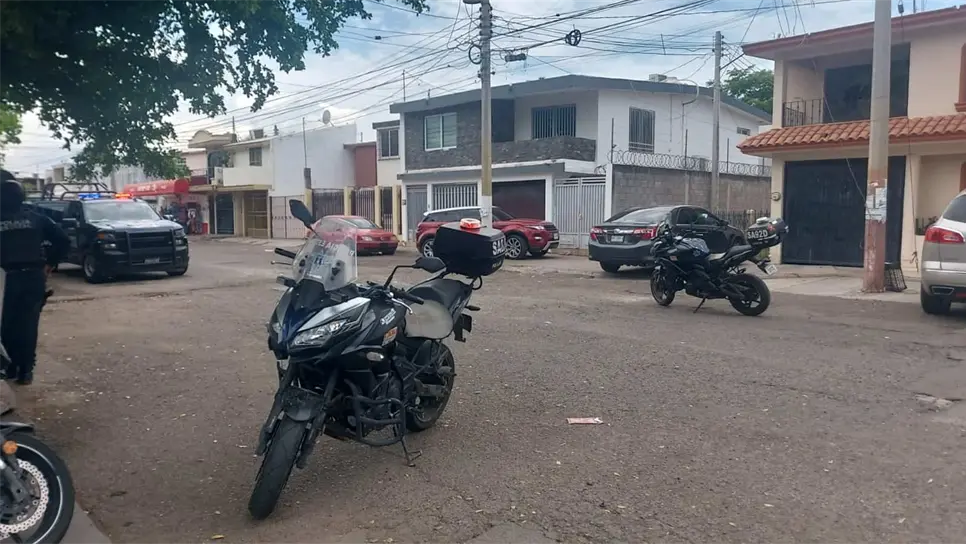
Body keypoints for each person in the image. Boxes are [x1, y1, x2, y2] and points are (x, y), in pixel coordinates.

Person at [0, 169, 70, 385]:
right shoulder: (37, 219)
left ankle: (10, 367)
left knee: (7, 326)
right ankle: (26, 370)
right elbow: (63, 241)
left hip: (6, 280)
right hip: (33, 278)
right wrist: (49, 264)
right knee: (28, 325)